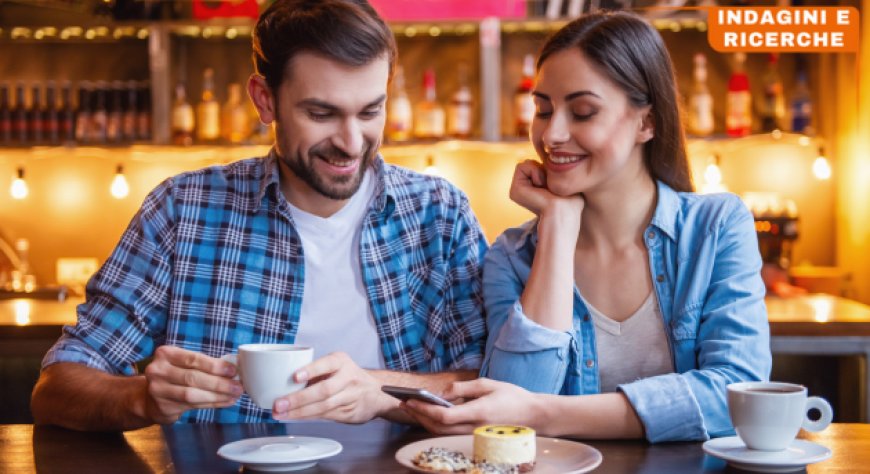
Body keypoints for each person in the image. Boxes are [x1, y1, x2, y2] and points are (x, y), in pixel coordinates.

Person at [31, 0, 488, 431]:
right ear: (264, 100)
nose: (351, 142)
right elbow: (55, 388)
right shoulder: (182, 210)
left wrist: (383, 392)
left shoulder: (440, 214)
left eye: (370, 110)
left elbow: (491, 388)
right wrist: (141, 399)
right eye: (321, 113)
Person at [402, 11, 770, 443]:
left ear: (646, 122)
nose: (552, 134)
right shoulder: (512, 256)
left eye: (582, 112)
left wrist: (545, 415)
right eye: (543, 109)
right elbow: (511, 416)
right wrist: (558, 224)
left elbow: (736, 394)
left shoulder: (716, 226)